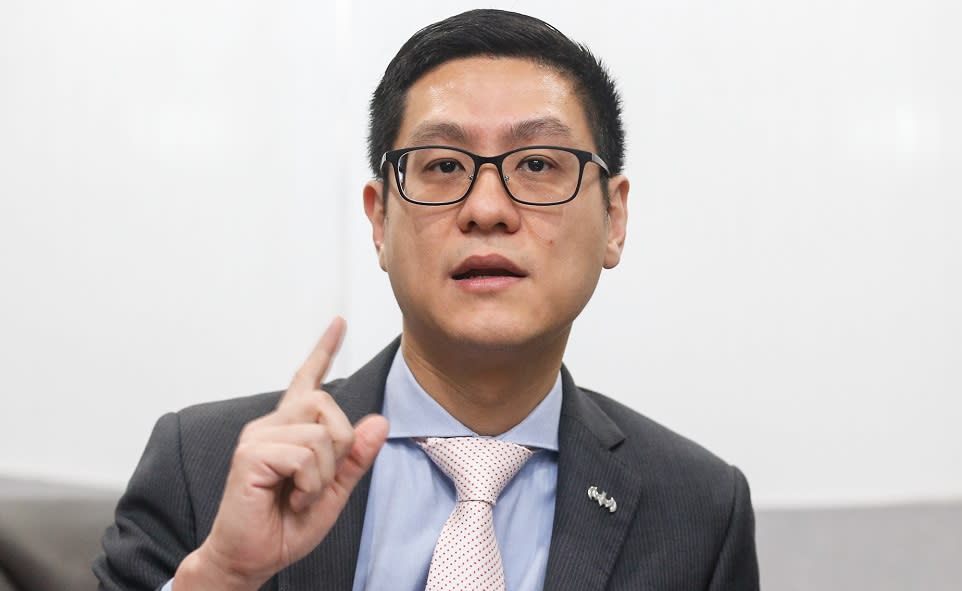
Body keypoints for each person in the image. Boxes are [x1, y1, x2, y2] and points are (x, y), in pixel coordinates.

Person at [94, 8, 759, 590]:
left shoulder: (698, 510)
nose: (488, 208)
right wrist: (221, 578)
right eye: (443, 166)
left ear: (614, 218)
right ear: (379, 219)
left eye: (537, 164)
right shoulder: (205, 466)